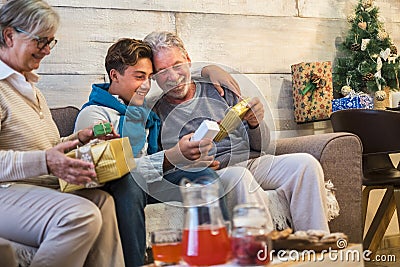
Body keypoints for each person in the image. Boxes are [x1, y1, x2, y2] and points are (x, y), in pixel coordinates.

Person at [74, 38, 276, 266]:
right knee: (130, 181)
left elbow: (175, 70)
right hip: (122, 184)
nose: (146, 85)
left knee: (204, 179)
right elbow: (108, 170)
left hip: (152, 180)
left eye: (149, 78)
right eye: (139, 77)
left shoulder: (143, 111)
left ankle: (219, 257)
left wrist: (210, 68)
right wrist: (173, 157)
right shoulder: (94, 116)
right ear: (114, 75)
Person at [144, 31, 330, 232]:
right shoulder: (155, 113)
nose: (172, 76)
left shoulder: (217, 89)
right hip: (218, 172)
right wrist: (189, 165)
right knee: (240, 177)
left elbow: (264, 147)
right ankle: (260, 255)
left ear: (188, 60)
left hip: (250, 160)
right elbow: (159, 167)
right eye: (162, 71)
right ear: (153, 76)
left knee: (306, 164)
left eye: (177, 65)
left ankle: (318, 248)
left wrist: (254, 123)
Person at [0, 1, 124, 267]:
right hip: (5, 191)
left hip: (34, 188)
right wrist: (46, 161)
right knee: (80, 215)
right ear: (9, 35)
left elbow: (47, 147)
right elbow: (43, 157)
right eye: (40, 40)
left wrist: (79, 139)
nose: (46, 50)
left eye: (50, 42)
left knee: (103, 202)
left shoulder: (31, 89)